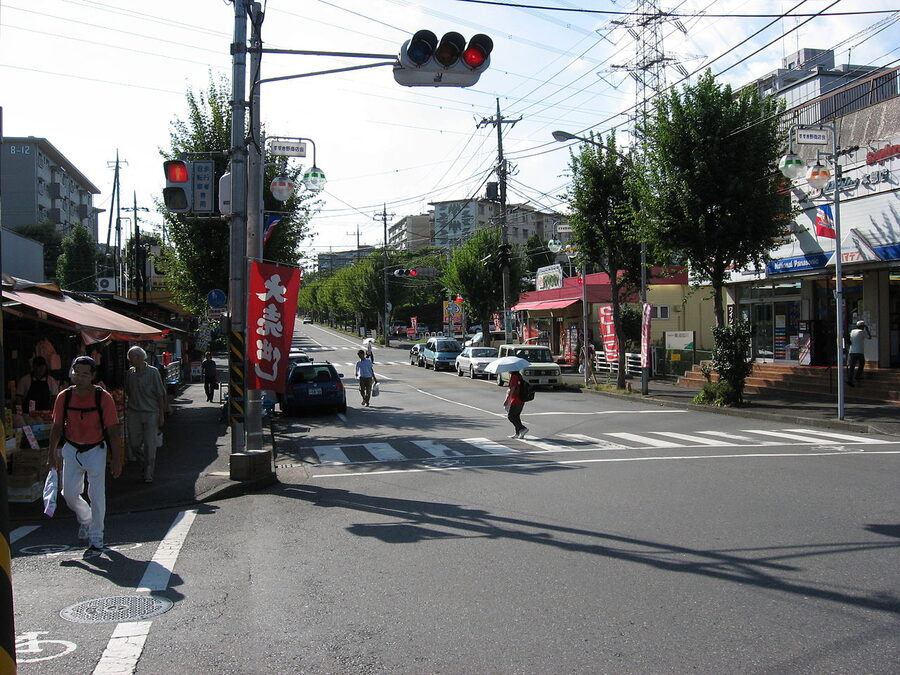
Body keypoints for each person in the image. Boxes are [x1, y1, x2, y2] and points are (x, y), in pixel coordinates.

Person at [47, 356, 124, 554]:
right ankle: (86, 519)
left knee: (97, 495)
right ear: (71, 372)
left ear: (92, 376)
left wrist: (117, 459)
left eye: (84, 374)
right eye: (76, 373)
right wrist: (51, 455)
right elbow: (56, 427)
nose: (79, 377)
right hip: (72, 449)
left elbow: (114, 431)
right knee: (69, 494)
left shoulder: (103, 397)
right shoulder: (64, 396)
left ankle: (96, 535)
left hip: (96, 450)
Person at [124, 346, 167, 483]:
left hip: (151, 412)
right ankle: (144, 463)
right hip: (134, 412)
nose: (130, 361)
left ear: (140, 358)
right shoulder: (130, 373)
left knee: (150, 444)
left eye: (132, 358)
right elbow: (128, 392)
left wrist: (161, 414)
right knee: (134, 443)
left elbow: (160, 394)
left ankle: (149, 471)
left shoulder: (153, 372)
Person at [846, 320, 872, 386]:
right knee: (862, 363)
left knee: (852, 366)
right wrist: (867, 329)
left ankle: (850, 379)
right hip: (859, 351)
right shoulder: (862, 332)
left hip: (852, 351)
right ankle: (858, 375)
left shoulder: (852, 331)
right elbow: (870, 337)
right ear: (862, 326)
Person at [504, 369, 528, 439]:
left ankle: (522, 428)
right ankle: (518, 433)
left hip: (515, 400)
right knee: (516, 416)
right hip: (521, 400)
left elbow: (512, 389)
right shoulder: (519, 376)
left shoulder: (514, 377)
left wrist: (507, 400)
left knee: (510, 416)